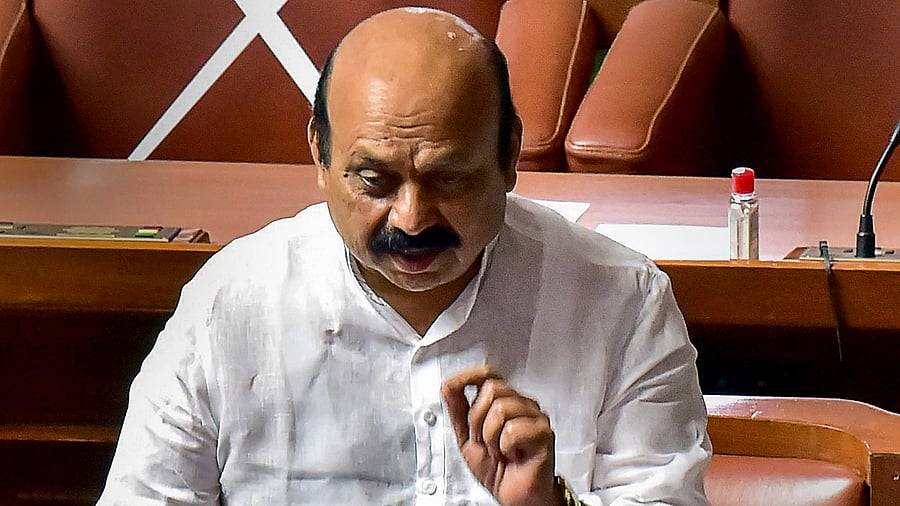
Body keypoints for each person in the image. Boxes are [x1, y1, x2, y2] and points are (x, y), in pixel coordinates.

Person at [98, 7, 711, 505]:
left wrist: (549, 505)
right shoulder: (230, 304)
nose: (412, 220)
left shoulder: (620, 301)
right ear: (320, 156)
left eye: (449, 179)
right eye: (375, 181)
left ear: (509, 156)